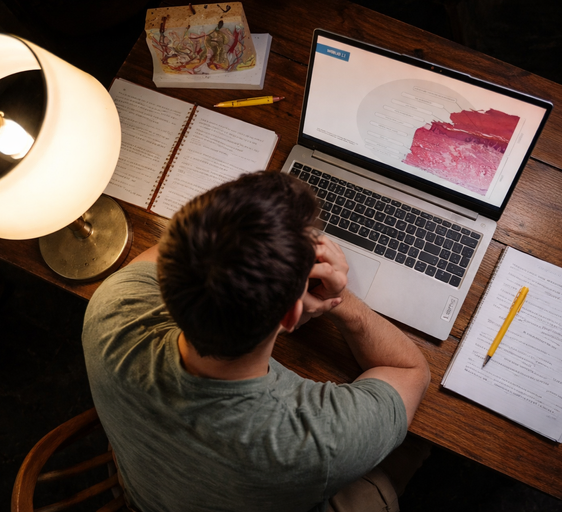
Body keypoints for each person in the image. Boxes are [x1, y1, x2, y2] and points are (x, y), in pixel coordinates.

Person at [82, 171, 431, 512]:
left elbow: (173, 250)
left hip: (147, 484)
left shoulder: (112, 307)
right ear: (292, 317)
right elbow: (410, 370)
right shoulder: (319, 442)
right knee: (402, 462)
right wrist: (341, 299)